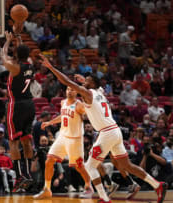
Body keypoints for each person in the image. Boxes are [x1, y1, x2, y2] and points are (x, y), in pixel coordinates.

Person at [40, 54, 168, 203]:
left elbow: (66, 81)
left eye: (86, 80)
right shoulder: (100, 93)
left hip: (107, 133)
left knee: (89, 166)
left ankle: (104, 198)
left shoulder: (88, 94)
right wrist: (85, 81)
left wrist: (50, 68)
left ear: (91, 84)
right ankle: (157, 185)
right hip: (115, 130)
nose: (83, 81)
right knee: (127, 165)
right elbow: (96, 86)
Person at [34, 87, 93, 199]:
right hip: (62, 136)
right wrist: (49, 122)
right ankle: (47, 189)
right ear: (65, 91)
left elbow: (87, 114)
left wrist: (85, 114)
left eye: (72, 90)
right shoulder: (63, 102)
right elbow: (63, 116)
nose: (70, 91)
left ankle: (89, 187)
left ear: (76, 92)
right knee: (49, 161)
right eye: (68, 89)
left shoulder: (79, 105)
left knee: (79, 166)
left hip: (75, 139)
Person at [2, 31, 35, 192]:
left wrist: (8, 42)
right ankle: (27, 174)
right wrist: (19, 39)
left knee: (13, 142)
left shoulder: (14, 68)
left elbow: (3, 57)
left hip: (16, 105)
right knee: (26, 140)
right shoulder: (30, 64)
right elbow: (22, 52)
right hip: (30, 104)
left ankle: (20, 174)